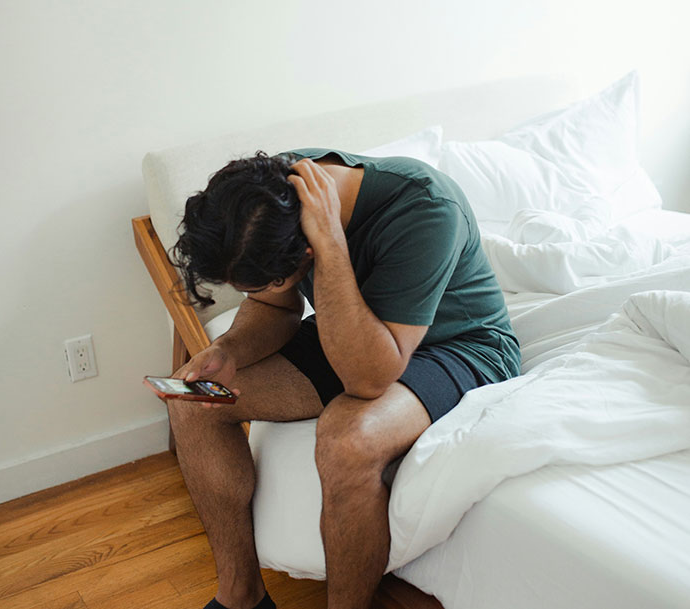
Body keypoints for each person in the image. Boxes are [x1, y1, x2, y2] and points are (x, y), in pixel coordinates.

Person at [168, 149, 520, 609]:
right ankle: (242, 597)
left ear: (307, 251)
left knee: (347, 439)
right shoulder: (272, 197)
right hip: (356, 329)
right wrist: (229, 349)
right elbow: (278, 306)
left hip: (458, 344)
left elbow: (368, 379)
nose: (250, 295)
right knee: (194, 400)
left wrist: (333, 245)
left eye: (257, 284)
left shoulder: (427, 208)